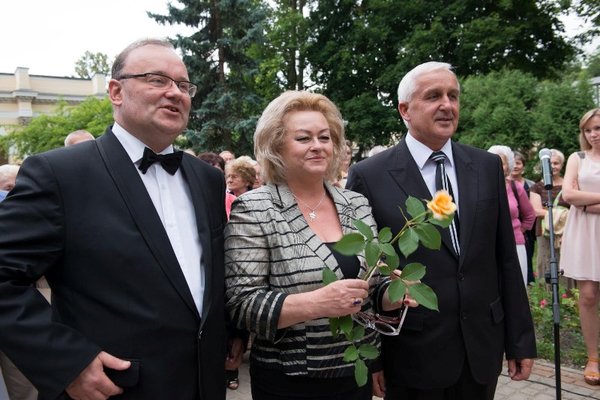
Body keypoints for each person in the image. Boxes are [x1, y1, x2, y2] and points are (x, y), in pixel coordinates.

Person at [0, 38, 241, 399]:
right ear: (116, 91)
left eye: (183, 84)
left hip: (204, 385)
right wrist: (67, 361)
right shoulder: (60, 174)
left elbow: (208, 277)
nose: (174, 92)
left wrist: (231, 329)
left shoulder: (207, 179)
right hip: (115, 388)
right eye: (157, 80)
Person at [347, 61, 536, 399]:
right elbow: (363, 271)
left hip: (480, 347)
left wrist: (520, 340)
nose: (447, 105)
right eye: (433, 96)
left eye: (453, 96)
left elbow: (504, 257)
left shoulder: (486, 166)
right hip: (412, 352)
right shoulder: (369, 175)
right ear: (405, 109)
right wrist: (371, 356)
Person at [224, 91, 410, 400]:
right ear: (276, 146)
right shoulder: (255, 208)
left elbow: (368, 292)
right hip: (289, 381)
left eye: (325, 137)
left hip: (354, 371)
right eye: (303, 138)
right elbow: (243, 305)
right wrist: (317, 303)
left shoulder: (356, 204)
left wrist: (391, 295)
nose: (318, 146)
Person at [559, 108, 600, 385]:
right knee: (587, 295)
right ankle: (593, 357)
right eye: (588, 130)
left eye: (597, 128)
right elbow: (568, 194)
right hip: (585, 234)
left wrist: (588, 204)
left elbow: (578, 198)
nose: (593, 134)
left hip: (588, 220)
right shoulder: (577, 158)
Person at [487, 145, 536, 286]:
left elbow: (530, 215)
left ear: (507, 165)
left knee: (516, 286)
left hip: (516, 244)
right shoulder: (480, 188)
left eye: (501, 162)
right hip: (489, 245)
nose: (497, 165)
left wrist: (517, 231)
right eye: (493, 161)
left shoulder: (516, 187)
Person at [529, 149, 573, 288]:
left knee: (568, 264)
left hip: (567, 232)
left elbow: (575, 208)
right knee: (546, 263)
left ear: (562, 165)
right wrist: (561, 213)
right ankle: (547, 301)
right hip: (544, 233)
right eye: (549, 163)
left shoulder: (569, 184)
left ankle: (569, 300)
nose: (553, 166)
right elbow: (536, 211)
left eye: (556, 163)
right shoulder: (537, 187)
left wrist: (548, 212)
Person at [511, 151, 536, 284]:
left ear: (523, 166)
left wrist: (522, 229)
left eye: (518, 163)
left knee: (527, 257)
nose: (515, 166)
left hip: (524, 230)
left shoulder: (530, 185)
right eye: (513, 162)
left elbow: (531, 213)